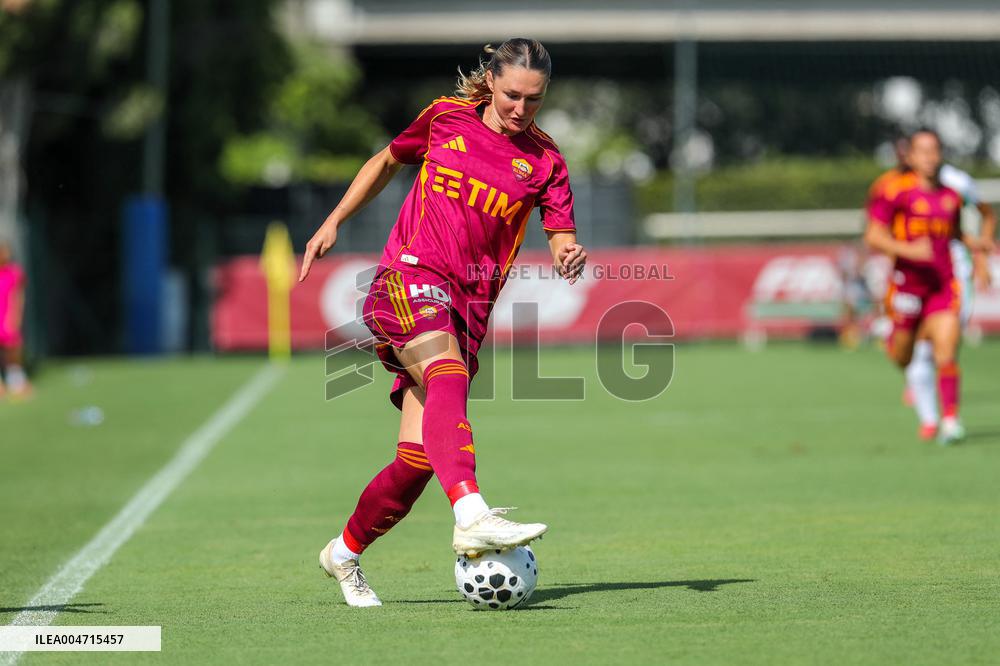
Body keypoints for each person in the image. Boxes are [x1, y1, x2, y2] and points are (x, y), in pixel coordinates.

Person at [298, 38, 587, 607]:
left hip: (468, 309)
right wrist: (333, 221)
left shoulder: (546, 161)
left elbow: (561, 235)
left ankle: (344, 553)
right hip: (407, 277)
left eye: (533, 99)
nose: (520, 109)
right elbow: (385, 159)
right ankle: (472, 511)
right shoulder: (444, 119)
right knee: (446, 372)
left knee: (415, 462)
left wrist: (567, 253)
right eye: (510, 95)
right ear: (491, 82)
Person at [865, 129, 982, 445]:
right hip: (907, 288)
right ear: (911, 156)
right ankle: (891, 337)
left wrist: (981, 246)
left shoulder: (951, 196)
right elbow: (873, 236)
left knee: (947, 350)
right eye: (923, 151)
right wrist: (908, 251)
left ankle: (950, 421)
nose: (930, 157)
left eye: (935, 150)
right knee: (902, 357)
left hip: (943, 285)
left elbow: (955, 234)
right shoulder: (895, 192)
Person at [902, 161, 996, 438]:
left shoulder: (958, 182)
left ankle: (950, 419)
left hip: (953, 276)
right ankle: (930, 419)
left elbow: (984, 215)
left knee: (945, 345)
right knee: (917, 352)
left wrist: (981, 258)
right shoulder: (900, 185)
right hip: (914, 278)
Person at [0, 240, 30, 399]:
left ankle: (16, 380)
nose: (6, 255)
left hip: (6, 317)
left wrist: (15, 315)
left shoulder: (14, 273)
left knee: (12, 350)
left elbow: (18, 296)